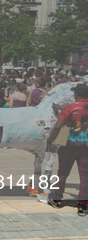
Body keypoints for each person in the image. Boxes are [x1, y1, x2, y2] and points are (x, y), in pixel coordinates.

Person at [47, 84, 88, 215]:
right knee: (85, 177)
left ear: (76, 94)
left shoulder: (70, 107)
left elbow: (57, 127)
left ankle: (57, 199)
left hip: (69, 146)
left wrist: (49, 141)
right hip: (86, 148)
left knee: (63, 173)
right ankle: (83, 206)